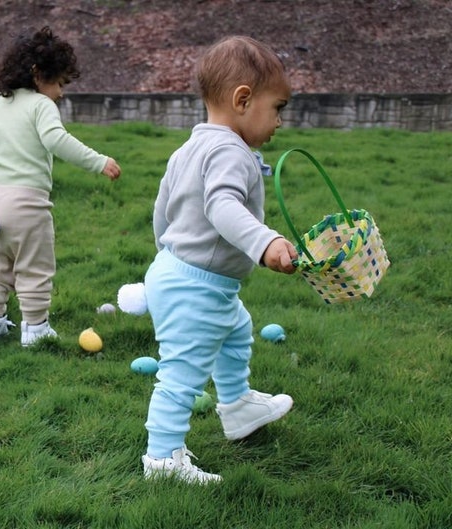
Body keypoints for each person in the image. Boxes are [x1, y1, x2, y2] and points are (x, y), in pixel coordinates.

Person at [141, 35, 298, 484]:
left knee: (236, 331)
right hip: (197, 285)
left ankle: (236, 406)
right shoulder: (231, 151)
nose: (280, 122)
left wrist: (165, 256)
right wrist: (265, 243)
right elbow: (222, 207)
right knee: (182, 374)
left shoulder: (189, 147)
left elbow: (162, 209)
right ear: (243, 100)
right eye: (278, 108)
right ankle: (163, 460)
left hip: (178, 272)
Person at [0, 26, 121, 347]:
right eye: (58, 82)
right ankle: (35, 328)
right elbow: (56, 140)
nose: (60, 92)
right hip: (28, 207)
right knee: (34, 268)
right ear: (36, 73)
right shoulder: (41, 106)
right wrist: (98, 161)